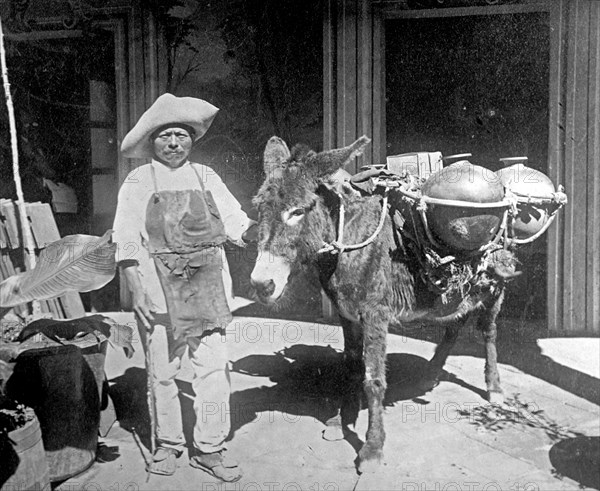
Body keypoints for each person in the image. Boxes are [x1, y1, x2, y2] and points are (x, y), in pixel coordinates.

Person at [112, 93, 255, 481]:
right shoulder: (140, 179)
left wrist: (257, 232)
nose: (173, 143)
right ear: (151, 142)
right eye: (165, 136)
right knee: (162, 371)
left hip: (207, 285)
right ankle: (169, 445)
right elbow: (125, 238)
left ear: (192, 140)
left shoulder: (206, 176)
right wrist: (136, 290)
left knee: (212, 370)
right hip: (159, 290)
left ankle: (209, 447)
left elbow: (233, 219)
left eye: (181, 135)